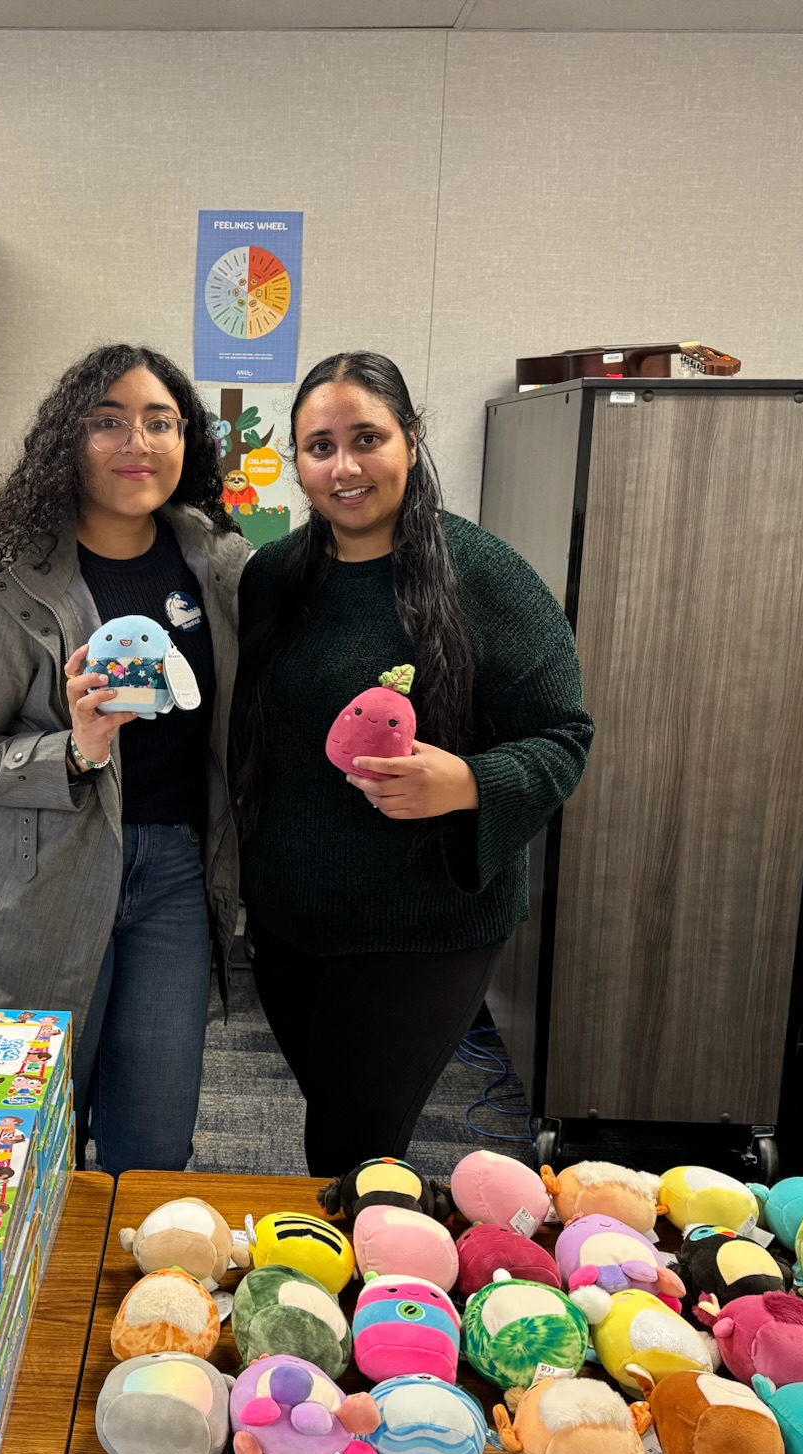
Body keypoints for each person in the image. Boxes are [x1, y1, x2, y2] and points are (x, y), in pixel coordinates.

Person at [233, 351, 592, 1178]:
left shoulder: (484, 576)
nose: (345, 466)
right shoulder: (274, 579)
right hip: (291, 923)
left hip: (422, 924)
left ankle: (377, 1294)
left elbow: (562, 735)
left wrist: (466, 783)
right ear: (298, 462)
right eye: (319, 447)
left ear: (412, 437)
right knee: (333, 1121)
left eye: (368, 438)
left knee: (351, 1144)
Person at [0, 343, 251, 1174]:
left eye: (160, 422)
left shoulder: (213, 560)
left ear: (190, 442)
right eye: (108, 422)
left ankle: (139, 1304)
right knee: (25, 1133)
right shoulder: (4, 582)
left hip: (172, 871)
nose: (137, 441)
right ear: (67, 440)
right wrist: (74, 749)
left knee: (152, 1139)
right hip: (39, 878)